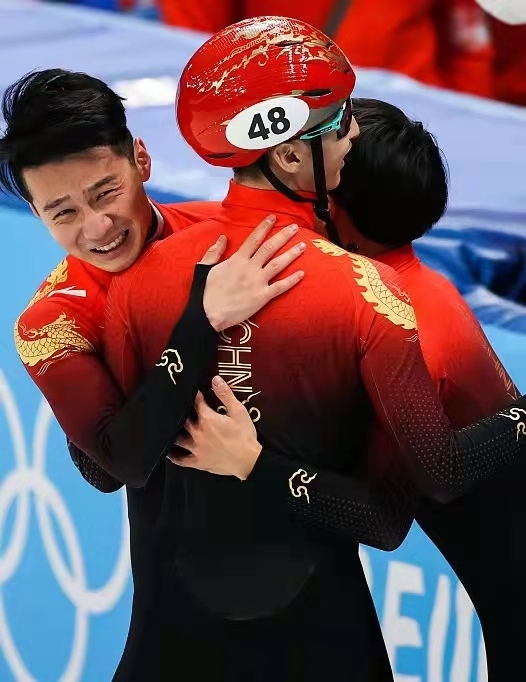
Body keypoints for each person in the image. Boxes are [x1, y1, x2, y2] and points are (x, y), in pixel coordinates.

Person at [102, 16, 526, 681]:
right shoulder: (391, 291)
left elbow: (407, 498)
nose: (348, 134)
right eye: (339, 127)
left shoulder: (398, 309)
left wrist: (250, 460)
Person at [2, 68, 305, 493]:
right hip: (186, 530)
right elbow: (115, 467)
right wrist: (201, 319)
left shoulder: (233, 231)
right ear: (37, 213)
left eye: (106, 193)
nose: (98, 227)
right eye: (64, 213)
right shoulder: (53, 323)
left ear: (141, 160)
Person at [333, 98, 525, 680]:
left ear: (334, 203)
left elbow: (381, 517)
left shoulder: (402, 328)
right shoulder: (420, 287)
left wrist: (257, 467)